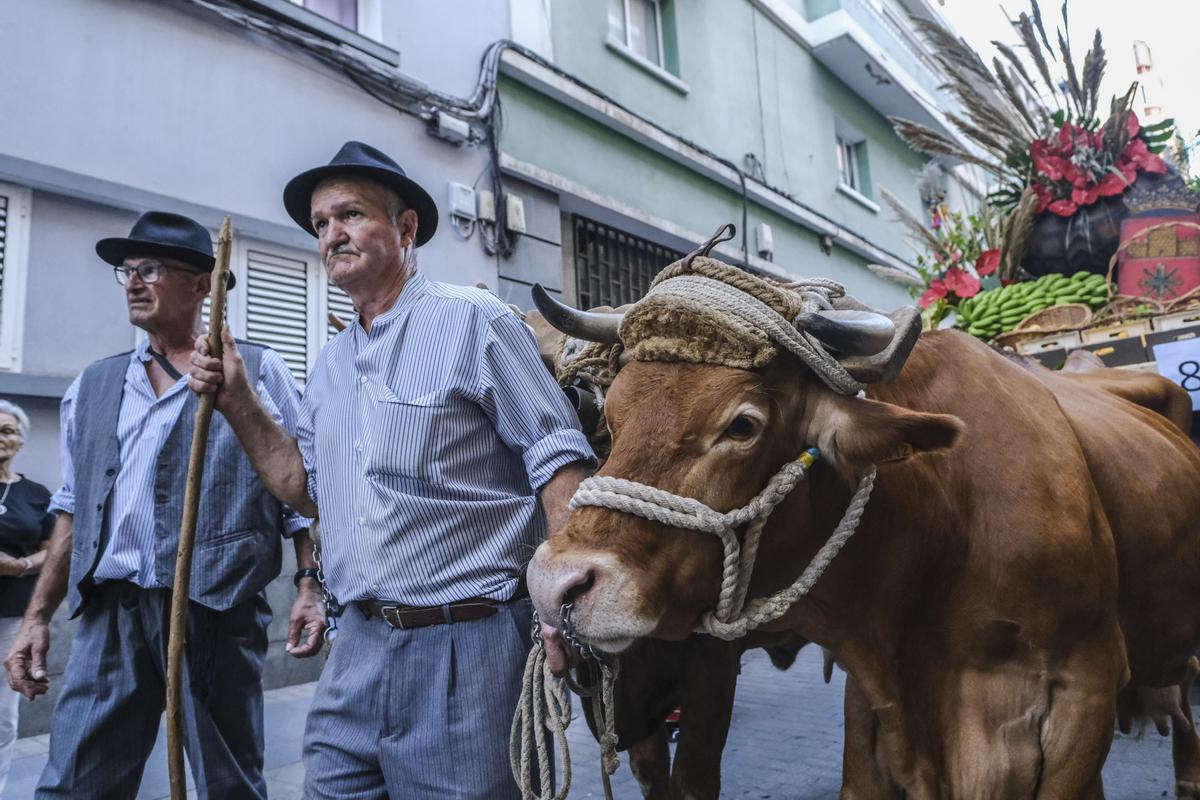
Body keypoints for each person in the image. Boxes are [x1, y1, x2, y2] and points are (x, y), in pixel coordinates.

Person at [189, 141, 594, 798]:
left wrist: (560, 601)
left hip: (469, 651)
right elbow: (309, 490)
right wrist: (238, 400)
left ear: (406, 229)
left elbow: (557, 458)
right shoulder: (329, 366)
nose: (331, 234)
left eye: (350, 215)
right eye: (321, 223)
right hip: (356, 653)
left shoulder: (474, 322)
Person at [3, 211, 325, 799]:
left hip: (218, 608)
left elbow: (301, 494)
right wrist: (37, 618)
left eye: (151, 269)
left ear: (203, 283)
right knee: (75, 782)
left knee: (230, 784)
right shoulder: (94, 386)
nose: (132, 282)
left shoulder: (257, 370)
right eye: (127, 271)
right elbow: (75, 510)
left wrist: (308, 584)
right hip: (111, 615)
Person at [0, 400, 54, 794]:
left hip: (11, 617)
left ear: (20, 441)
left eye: (7, 430)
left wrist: (20, 566)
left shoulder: (35, 494)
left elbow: (53, 548)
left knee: (2, 716)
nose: (0, 437)